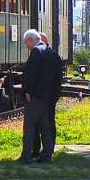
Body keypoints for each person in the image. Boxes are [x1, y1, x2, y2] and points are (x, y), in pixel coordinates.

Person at [19, 28, 55, 163]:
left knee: (29, 127)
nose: (27, 47)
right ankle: (47, 155)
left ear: (30, 40)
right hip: (47, 97)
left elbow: (31, 74)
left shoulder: (36, 52)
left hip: (35, 98)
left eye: (26, 43)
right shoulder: (51, 52)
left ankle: (26, 156)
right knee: (45, 128)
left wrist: (28, 91)